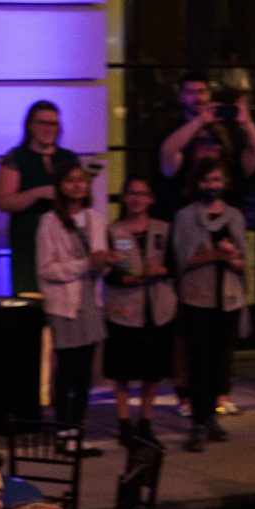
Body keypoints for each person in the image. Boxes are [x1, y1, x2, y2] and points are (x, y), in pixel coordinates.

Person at [173, 161, 253, 451]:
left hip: (228, 298)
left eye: (217, 178)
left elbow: (243, 261)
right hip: (198, 299)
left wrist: (232, 259)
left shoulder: (234, 216)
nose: (211, 184)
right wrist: (215, 255)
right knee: (200, 362)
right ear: (197, 183)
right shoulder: (186, 217)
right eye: (206, 179)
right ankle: (197, 421)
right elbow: (183, 260)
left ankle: (211, 419)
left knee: (221, 362)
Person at [35, 160, 113, 447]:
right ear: (59, 186)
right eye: (70, 180)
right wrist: (85, 264)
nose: (77, 185)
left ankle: (77, 430)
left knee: (84, 373)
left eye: (81, 180)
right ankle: (61, 428)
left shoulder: (96, 219)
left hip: (91, 301)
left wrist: (106, 263)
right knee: (66, 369)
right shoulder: (49, 222)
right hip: (64, 305)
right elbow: (46, 269)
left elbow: (100, 264)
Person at [103, 174, 178, 448]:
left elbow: (175, 266)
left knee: (152, 371)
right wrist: (135, 277)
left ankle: (145, 422)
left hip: (157, 309)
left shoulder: (164, 229)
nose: (136, 198)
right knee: (122, 370)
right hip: (125, 308)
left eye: (142, 193)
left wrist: (161, 271)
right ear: (124, 198)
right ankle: (124, 423)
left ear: (151, 199)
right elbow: (110, 273)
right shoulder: (114, 231)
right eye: (131, 192)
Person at [0, 100, 80, 297]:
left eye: (53, 124)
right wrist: (38, 193)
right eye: (43, 123)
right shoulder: (17, 157)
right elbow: (4, 202)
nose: (48, 129)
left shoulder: (69, 158)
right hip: (29, 242)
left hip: (64, 242)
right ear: (30, 125)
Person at [153, 75, 255, 201]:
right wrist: (201, 120)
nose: (198, 97)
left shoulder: (228, 132)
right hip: (187, 207)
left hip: (227, 208)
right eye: (191, 92)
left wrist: (247, 123)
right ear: (181, 97)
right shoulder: (173, 133)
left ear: (209, 94)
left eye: (202, 91)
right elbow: (168, 155)